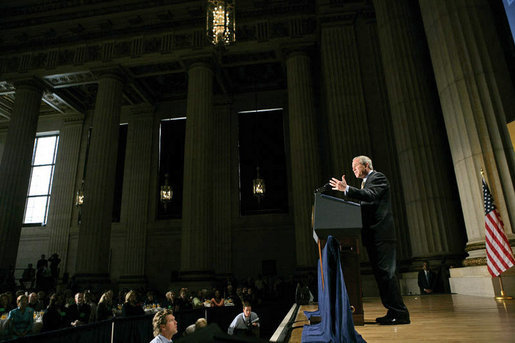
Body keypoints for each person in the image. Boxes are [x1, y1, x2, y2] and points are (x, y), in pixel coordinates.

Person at [329, 155, 410, 325]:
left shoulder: (378, 177)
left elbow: (370, 195)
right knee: (381, 276)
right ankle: (392, 311)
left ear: (366, 165)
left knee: (387, 274)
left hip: (382, 235)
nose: (353, 169)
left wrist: (347, 190)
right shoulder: (365, 182)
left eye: (355, 166)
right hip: (373, 236)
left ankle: (401, 313)